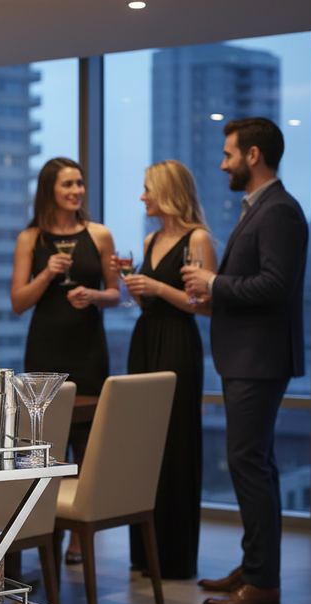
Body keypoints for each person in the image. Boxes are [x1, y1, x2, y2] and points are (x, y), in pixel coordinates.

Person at [183, 118, 308, 604]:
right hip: (250, 356)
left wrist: (213, 283)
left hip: (259, 358)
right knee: (257, 464)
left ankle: (261, 581)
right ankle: (255, 566)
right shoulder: (261, 208)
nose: (223, 164)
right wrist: (214, 291)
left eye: (229, 154)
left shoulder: (279, 211)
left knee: (248, 463)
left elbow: (276, 285)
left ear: (253, 155)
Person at [10, 157, 119, 563]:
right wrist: (47, 274)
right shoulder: (30, 239)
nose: (77, 191)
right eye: (68, 184)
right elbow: (18, 301)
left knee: (86, 442)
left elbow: (117, 293)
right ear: (49, 191)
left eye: (79, 183)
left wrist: (93, 295)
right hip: (45, 348)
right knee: (46, 440)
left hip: (89, 348)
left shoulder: (99, 234)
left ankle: (77, 534)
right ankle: (44, 528)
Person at [119, 160, 217, 580]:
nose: (142, 197)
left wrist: (157, 287)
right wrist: (135, 287)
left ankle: (176, 559)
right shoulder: (150, 238)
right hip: (145, 339)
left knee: (176, 444)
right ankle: (144, 553)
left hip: (178, 343)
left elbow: (206, 306)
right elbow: (150, 302)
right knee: (142, 444)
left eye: (148, 189)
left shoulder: (199, 238)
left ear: (168, 192)